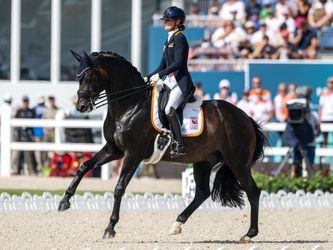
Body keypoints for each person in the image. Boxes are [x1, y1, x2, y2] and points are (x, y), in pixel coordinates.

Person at [145, 6, 195, 158]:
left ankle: (179, 144)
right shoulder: (168, 40)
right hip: (170, 81)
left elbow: (178, 63)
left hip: (181, 82)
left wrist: (160, 74)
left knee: (169, 109)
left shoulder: (180, 38)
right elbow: (162, 66)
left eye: (168, 20)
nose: (165, 22)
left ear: (178, 21)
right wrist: (147, 77)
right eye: (164, 20)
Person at [14, 96, 38, 175]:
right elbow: (16, 124)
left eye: (26, 101)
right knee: (18, 156)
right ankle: (16, 171)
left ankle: (31, 171)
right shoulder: (19, 111)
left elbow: (34, 124)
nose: (25, 103)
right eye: (24, 101)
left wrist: (33, 135)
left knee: (29, 156)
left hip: (28, 136)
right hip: (20, 136)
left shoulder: (31, 111)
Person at [319, 77, 333, 147]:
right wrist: (320, 120)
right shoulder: (323, 95)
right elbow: (321, 108)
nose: (331, 84)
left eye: (332, 82)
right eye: (330, 82)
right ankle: (323, 157)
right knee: (324, 138)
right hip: (325, 119)